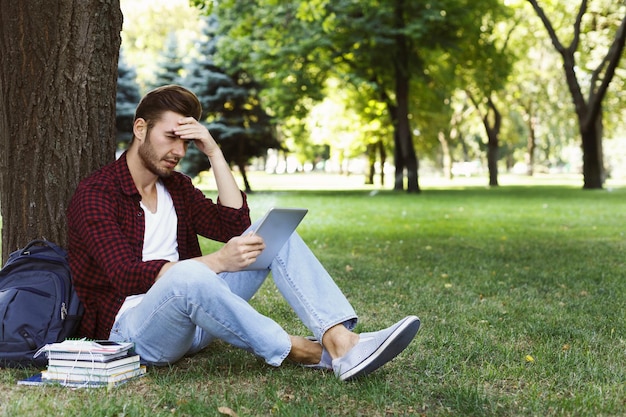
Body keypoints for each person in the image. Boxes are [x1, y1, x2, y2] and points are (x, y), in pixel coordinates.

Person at [66, 85, 420, 381]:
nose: (178, 151)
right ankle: (305, 351)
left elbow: (233, 225)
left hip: (198, 316)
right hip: (137, 331)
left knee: (270, 235)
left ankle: (340, 340)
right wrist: (218, 261)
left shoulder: (176, 187)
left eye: (186, 142)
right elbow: (126, 275)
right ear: (140, 129)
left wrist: (215, 153)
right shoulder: (97, 193)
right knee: (190, 273)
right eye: (171, 137)